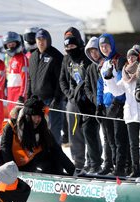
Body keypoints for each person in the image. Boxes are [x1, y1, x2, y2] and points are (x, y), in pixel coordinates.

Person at [1, 95, 75, 175]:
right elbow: (5, 149)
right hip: (14, 164)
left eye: (39, 116)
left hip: (31, 162)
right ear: (27, 116)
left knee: (53, 155)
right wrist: (12, 171)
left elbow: (56, 149)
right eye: (34, 116)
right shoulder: (11, 126)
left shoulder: (42, 127)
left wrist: (72, 171)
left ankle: (55, 177)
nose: (37, 119)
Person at [105, 44, 140, 177]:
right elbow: (117, 91)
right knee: (133, 144)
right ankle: (136, 170)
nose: (131, 59)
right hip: (130, 114)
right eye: (129, 57)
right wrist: (109, 79)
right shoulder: (125, 75)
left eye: (134, 56)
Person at [96, 33, 129, 176]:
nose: (104, 48)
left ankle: (122, 167)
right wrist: (99, 104)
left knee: (119, 138)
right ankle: (113, 165)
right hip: (107, 105)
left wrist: (118, 101)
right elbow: (100, 85)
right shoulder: (103, 64)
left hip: (118, 105)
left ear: (112, 45)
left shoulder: (119, 60)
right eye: (102, 46)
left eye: (106, 46)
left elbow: (123, 82)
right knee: (110, 139)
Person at [59, 27, 92, 171]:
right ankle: (78, 162)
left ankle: (93, 161)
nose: (70, 48)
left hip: (87, 100)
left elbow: (91, 77)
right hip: (72, 101)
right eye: (67, 45)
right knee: (74, 133)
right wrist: (69, 95)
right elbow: (62, 80)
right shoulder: (66, 58)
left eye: (72, 43)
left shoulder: (86, 56)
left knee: (90, 132)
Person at [27, 29, 65, 144]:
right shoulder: (33, 56)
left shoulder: (56, 56)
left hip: (52, 101)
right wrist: (29, 98)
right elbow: (31, 79)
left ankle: (55, 158)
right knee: (37, 132)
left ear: (48, 40)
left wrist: (57, 98)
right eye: (39, 39)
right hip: (37, 101)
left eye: (43, 39)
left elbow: (61, 80)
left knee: (53, 131)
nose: (41, 42)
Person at [83, 36, 104, 174]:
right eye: (90, 51)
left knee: (110, 138)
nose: (93, 54)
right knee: (89, 132)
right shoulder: (90, 68)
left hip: (109, 107)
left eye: (95, 50)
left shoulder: (107, 64)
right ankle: (94, 162)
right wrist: (94, 98)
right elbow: (87, 86)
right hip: (93, 107)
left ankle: (114, 164)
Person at [2, 31, 28, 113]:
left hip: (19, 97)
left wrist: (21, 96)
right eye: (9, 45)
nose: (11, 47)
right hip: (11, 96)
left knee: (18, 121)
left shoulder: (22, 58)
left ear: (18, 43)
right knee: (11, 121)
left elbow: (25, 79)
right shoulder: (11, 59)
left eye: (13, 44)